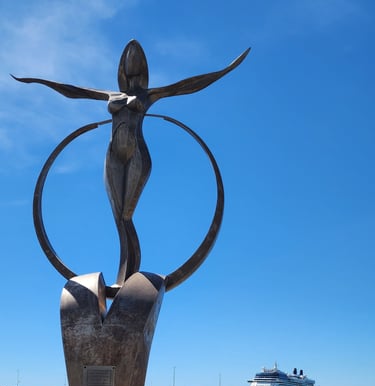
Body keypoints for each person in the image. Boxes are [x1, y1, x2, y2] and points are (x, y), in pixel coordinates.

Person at [13, 40, 249, 281]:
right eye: (128, 61)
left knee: (126, 215)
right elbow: (73, 90)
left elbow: (188, 85)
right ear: (121, 68)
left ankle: (130, 278)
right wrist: (39, 81)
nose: (132, 65)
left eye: (136, 61)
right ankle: (123, 279)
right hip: (113, 154)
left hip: (136, 153)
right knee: (118, 216)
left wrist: (225, 71)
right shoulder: (111, 94)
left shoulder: (150, 94)